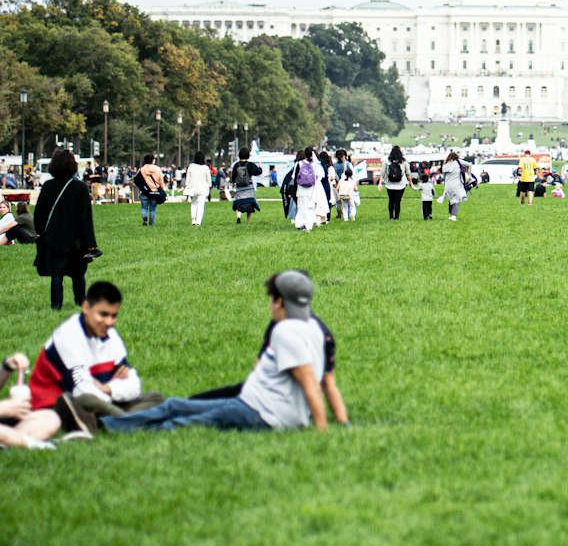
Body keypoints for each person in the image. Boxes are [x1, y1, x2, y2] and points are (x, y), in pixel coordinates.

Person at [68, 272, 350, 436]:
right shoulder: (314, 326)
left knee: (180, 420)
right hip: (254, 404)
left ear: (280, 301)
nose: (269, 306)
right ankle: (106, 424)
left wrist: (322, 431)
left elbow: (311, 384)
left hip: (260, 412)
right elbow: (325, 381)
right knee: (173, 405)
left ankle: (108, 428)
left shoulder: (284, 331)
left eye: (271, 299)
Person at [29, 279, 160, 416]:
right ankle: (128, 420)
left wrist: (108, 388)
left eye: (113, 316)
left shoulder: (110, 334)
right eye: (103, 314)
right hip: (55, 409)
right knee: (88, 401)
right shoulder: (67, 336)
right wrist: (113, 388)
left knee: (155, 397)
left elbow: (134, 384)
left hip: (103, 399)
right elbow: (82, 392)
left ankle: (123, 421)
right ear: (86, 307)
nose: (109, 322)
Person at [32, 148, 100, 310]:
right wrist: (90, 243)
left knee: (56, 274)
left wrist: (42, 232)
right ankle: (80, 302)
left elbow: (39, 214)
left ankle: (56, 306)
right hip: (75, 240)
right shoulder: (80, 188)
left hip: (53, 238)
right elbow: (86, 219)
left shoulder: (47, 186)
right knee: (78, 274)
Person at [230, 148, 262, 226]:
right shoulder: (250, 165)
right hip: (249, 187)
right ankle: (247, 222)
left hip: (239, 187)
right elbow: (259, 172)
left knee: (239, 203)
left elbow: (233, 176)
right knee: (250, 204)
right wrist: (260, 164)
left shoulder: (236, 165)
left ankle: (238, 217)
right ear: (248, 155)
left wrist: (233, 183)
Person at [380, 145, 411, 220]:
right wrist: (411, 182)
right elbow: (408, 173)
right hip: (401, 185)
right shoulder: (404, 161)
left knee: (391, 200)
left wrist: (380, 183)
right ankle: (396, 217)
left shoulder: (386, 161)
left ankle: (391, 217)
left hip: (389, 184)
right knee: (398, 201)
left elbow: (383, 173)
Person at [135, 152, 166, 227]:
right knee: (152, 209)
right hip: (155, 192)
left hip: (145, 192)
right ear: (153, 160)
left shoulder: (141, 169)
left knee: (144, 208)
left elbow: (137, 180)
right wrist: (162, 190)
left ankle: (144, 217)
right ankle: (151, 224)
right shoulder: (157, 169)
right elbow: (161, 181)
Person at [293, 147, 321, 231]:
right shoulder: (315, 164)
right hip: (312, 190)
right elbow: (318, 177)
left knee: (301, 207)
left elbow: (294, 177)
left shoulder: (298, 163)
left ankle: (300, 224)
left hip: (301, 189)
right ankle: (308, 225)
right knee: (310, 208)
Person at [184, 152, 213, 227]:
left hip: (193, 187)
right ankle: (198, 221)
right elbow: (209, 180)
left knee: (193, 203)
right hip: (203, 188)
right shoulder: (205, 167)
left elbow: (188, 178)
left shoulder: (191, 166)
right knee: (201, 205)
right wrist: (209, 186)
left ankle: (193, 219)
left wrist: (187, 185)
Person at [440, 151, 467, 222]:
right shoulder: (458, 162)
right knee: (457, 199)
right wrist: (467, 171)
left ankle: (451, 214)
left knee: (451, 199)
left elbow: (444, 175)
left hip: (448, 185)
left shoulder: (445, 165)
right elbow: (468, 164)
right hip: (456, 184)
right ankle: (453, 215)